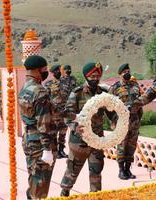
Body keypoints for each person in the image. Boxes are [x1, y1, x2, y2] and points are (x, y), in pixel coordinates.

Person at [60, 62, 112, 196]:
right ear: (86, 76)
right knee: (72, 171)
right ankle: (64, 193)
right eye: (92, 76)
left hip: (97, 140)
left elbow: (111, 112)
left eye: (97, 76)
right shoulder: (77, 93)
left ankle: (95, 196)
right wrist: (75, 127)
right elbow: (67, 115)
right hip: (79, 141)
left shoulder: (104, 93)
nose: (95, 78)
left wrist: (117, 121)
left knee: (96, 171)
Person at [18, 55, 56, 199]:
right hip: (40, 145)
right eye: (44, 69)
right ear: (36, 70)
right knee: (40, 186)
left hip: (29, 140)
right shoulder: (40, 91)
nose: (46, 72)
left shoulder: (25, 87)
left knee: (33, 180)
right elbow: (43, 123)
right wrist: (47, 149)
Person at [109, 63, 143, 180]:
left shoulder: (135, 85)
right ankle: (121, 170)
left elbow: (140, 103)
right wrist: (114, 121)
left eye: (128, 71)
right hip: (121, 122)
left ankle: (128, 169)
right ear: (120, 74)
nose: (127, 73)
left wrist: (139, 118)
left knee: (131, 147)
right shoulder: (115, 88)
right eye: (124, 72)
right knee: (122, 146)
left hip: (134, 122)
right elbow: (109, 106)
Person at [44, 64, 68, 159]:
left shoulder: (66, 82)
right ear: (53, 73)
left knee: (63, 133)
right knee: (53, 133)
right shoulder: (49, 84)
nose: (59, 72)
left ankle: (61, 150)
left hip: (64, 113)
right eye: (57, 71)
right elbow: (46, 99)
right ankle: (55, 151)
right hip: (54, 114)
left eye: (60, 70)